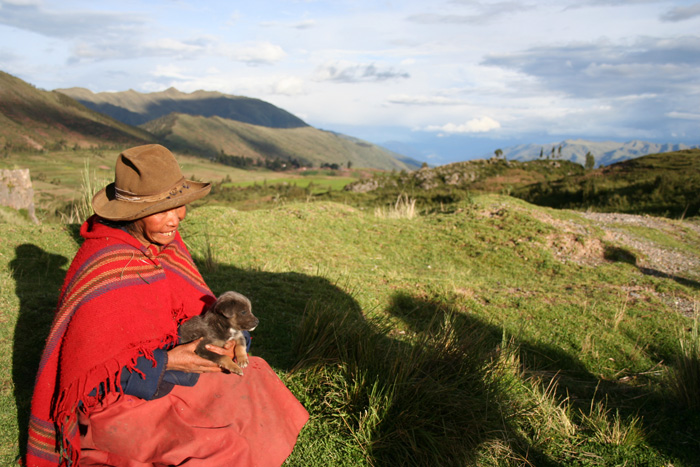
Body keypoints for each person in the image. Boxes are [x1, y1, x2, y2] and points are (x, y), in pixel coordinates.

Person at [25, 144, 309, 466]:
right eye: (162, 210)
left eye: (179, 206)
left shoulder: (167, 245)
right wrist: (168, 361)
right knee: (221, 445)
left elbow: (202, 314)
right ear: (132, 214)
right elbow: (91, 374)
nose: (175, 220)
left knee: (256, 376)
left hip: (175, 371)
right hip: (122, 397)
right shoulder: (104, 265)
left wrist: (224, 342)